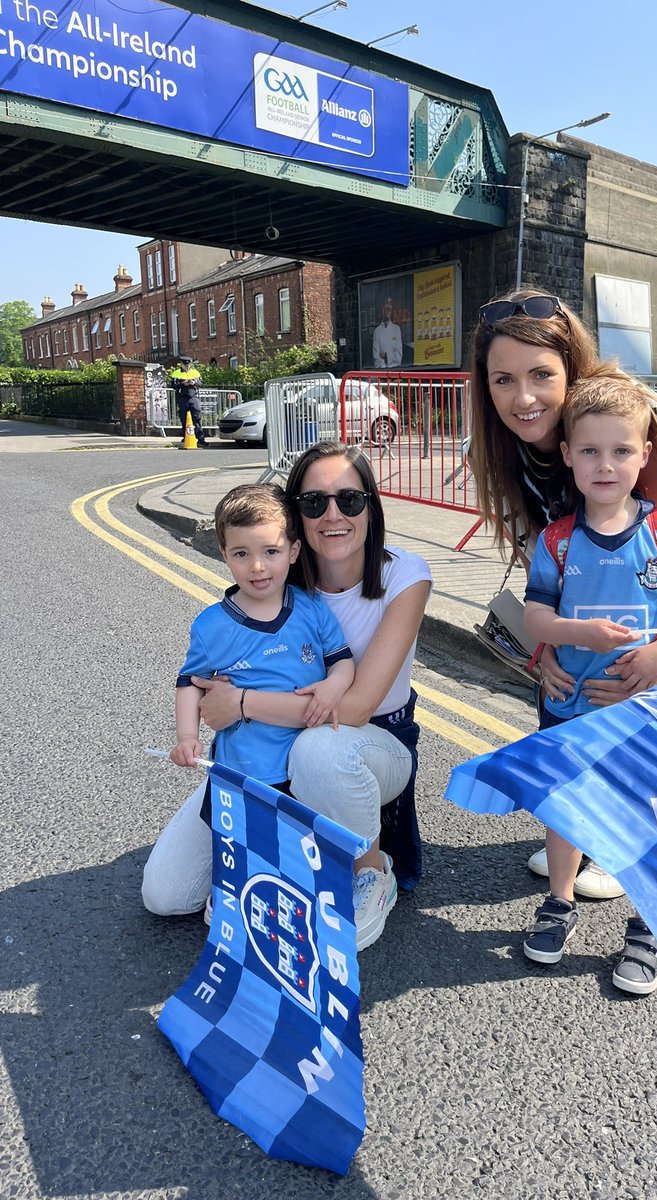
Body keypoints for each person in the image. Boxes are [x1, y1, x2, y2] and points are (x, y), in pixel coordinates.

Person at [467, 288, 657, 901]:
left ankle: (629, 838)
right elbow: (549, 567)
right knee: (576, 680)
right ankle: (581, 828)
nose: (523, 397)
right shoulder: (496, 449)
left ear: (571, 369)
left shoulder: (625, 429)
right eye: (503, 379)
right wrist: (548, 652)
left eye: (542, 375)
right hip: (596, 548)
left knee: (635, 682)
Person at [143, 444, 432, 952]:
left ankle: (370, 870)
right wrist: (200, 728)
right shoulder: (276, 576)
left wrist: (242, 704)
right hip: (259, 753)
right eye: (314, 502)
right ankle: (257, 819)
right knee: (165, 896)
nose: (333, 515)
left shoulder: (404, 576)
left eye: (350, 499)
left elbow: (356, 708)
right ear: (295, 519)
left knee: (318, 749)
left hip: (365, 746)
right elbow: (207, 672)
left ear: (372, 505)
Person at [520, 373, 657, 992]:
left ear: (644, 456)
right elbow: (534, 616)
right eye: (590, 451)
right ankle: (558, 902)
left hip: (646, 711)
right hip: (570, 706)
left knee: (644, 812)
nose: (605, 465)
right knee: (566, 807)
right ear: (569, 457)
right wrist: (580, 638)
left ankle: (646, 924)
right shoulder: (556, 542)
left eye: (621, 451)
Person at [168, 483, 354, 782]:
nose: (257, 566)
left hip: (310, 768)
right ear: (224, 555)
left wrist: (335, 685)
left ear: (293, 551)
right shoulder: (210, 626)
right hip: (244, 772)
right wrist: (187, 736)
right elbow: (190, 681)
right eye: (241, 553)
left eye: (271, 551)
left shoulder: (313, 608)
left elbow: (342, 659)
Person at [171, 354, 207, 447]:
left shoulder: (195, 373)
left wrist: (194, 382)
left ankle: (201, 438)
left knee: (197, 418)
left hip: (193, 398)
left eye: (188, 364)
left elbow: (201, 383)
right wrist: (183, 384)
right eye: (185, 364)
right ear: (181, 364)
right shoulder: (176, 373)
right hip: (182, 398)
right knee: (183, 419)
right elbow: (173, 385)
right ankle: (185, 436)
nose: (187, 366)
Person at [373, 298, 403, 369]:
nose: (389, 307)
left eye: (390, 304)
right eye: (387, 303)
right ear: (382, 306)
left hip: (395, 373)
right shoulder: (377, 331)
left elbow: (398, 358)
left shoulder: (396, 329)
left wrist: (385, 356)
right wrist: (386, 359)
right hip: (381, 374)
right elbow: (376, 357)